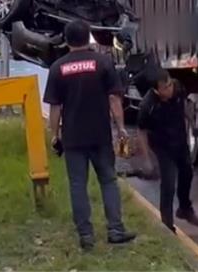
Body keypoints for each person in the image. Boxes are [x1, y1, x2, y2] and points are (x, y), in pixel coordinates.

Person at [44, 19, 137, 250]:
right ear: (89, 38)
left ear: (66, 40)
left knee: (78, 185)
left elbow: (55, 108)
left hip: (73, 138)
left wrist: (54, 135)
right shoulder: (103, 63)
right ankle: (115, 230)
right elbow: (114, 99)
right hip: (100, 136)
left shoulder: (58, 68)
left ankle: (86, 236)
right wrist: (121, 129)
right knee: (108, 181)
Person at [137, 70, 198, 232]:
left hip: (179, 140)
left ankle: (185, 209)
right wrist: (146, 159)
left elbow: (184, 107)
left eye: (170, 85)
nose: (169, 90)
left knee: (187, 173)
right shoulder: (148, 105)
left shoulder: (178, 88)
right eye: (165, 88)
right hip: (161, 145)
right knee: (168, 182)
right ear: (156, 90)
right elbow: (141, 131)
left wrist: (193, 123)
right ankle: (167, 224)